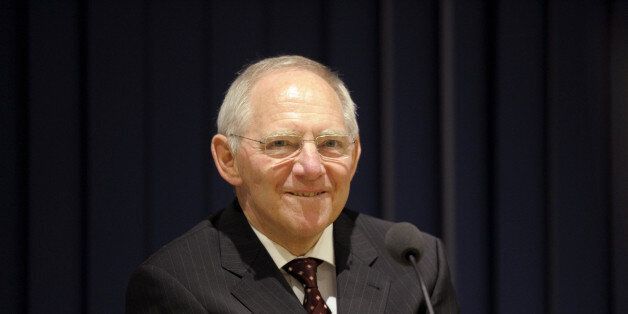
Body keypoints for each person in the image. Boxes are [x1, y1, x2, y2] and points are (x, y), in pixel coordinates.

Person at [126, 55, 458, 313]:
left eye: (330, 144)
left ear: (354, 156)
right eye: (281, 144)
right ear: (228, 159)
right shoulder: (176, 285)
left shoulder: (416, 265)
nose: (311, 167)